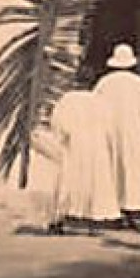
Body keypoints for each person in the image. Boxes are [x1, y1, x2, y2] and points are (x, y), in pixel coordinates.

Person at [93, 44, 140, 229]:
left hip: (108, 135)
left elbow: (94, 109)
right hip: (135, 135)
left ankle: (112, 212)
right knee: (134, 173)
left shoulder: (103, 84)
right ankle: (131, 211)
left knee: (112, 171)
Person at [46, 76, 117, 234]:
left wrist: (63, 138)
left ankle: (59, 220)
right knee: (95, 183)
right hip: (96, 146)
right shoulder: (101, 102)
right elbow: (110, 126)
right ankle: (92, 222)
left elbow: (58, 124)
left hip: (74, 144)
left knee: (68, 181)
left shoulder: (67, 99)